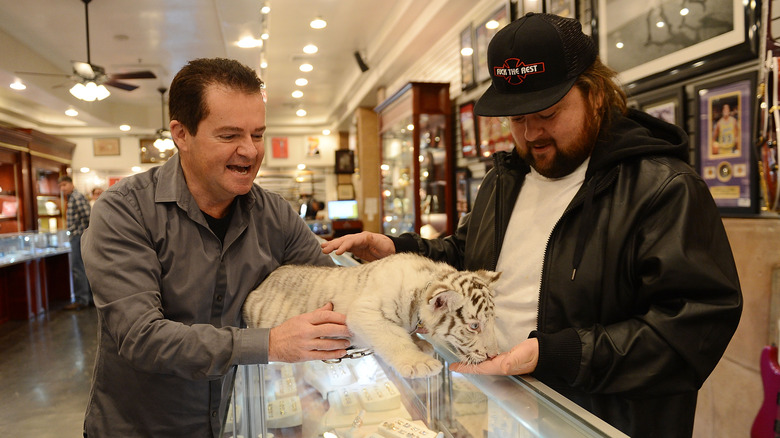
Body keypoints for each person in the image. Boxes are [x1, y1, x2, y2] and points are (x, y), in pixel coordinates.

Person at [322, 13, 742, 438]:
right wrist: (399, 249)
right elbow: (468, 255)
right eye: (517, 118)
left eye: (548, 113)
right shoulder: (506, 179)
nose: (531, 132)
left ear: (594, 94)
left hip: (602, 422)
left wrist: (557, 354)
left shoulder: (664, 188)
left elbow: (693, 329)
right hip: (503, 411)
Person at [80, 58, 351, 437]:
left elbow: (334, 291)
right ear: (181, 134)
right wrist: (270, 343)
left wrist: (406, 292)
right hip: (138, 428)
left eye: (257, 135)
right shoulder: (125, 209)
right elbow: (141, 337)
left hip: (232, 422)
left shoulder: (275, 214)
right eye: (229, 136)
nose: (250, 151)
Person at [58, 175, 92, 310]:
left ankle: (82, 299)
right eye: (60, 186)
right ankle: (87, 298)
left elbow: (88, 216)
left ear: (71, 184)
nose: (62, 188)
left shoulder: (76, 197)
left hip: (78, 236)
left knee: (78, 268)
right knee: (81, 268)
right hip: (77, 236)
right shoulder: (72, 197)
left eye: (64, 185)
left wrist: (85, 234)